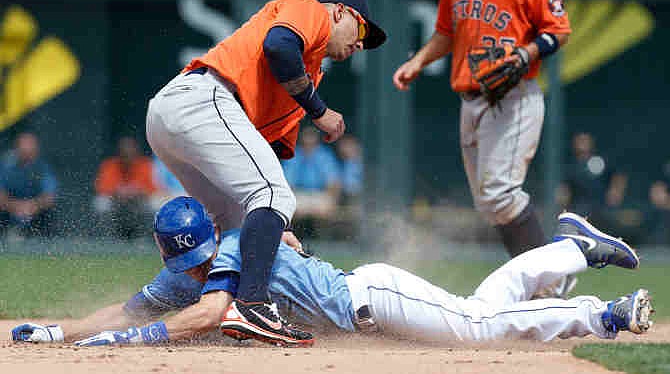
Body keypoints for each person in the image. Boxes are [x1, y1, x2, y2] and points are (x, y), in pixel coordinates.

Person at [12, 196, 654, 347]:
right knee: (479, 308)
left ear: (210, 238)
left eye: (196, 253)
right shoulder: (187, 276)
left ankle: (601, 314)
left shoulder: (235, 250)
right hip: (366, 306)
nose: (195, 265)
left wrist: (128, 343)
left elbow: (208, 314)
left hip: (371, 297)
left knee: (479, 329)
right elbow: (125, 311)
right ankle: (571, 249)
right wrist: (56, 334)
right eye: (185, 259)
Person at [144, 0, 387, 345]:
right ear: (340, 12)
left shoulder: (305, 78)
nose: (360, 44)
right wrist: (319, 111)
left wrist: (273, 227)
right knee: (274, 194)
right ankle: (253, 306)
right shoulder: (309, 10)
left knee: (240, 221)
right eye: (363, 30)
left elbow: (268, 154)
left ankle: (210, 304)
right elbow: (278, 46)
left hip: (177, 117)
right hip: (205, 98)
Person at [392, 0, 572, 294]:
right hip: (469, 99)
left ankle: (552, 282)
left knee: (499, 194)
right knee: (491, 204)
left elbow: (558, 32)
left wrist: (526, 54)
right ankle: (549, 281)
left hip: (514, 97)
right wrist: (418, 61)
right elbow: (446, 32)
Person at [556, 132, 628, 230]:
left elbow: (618, 175)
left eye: (585, 140)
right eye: (580, 141)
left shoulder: (600, 161)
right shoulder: (572, 166)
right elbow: (565, 189)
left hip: (602, 207)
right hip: (579, 208)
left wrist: (616, 192)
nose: (583, 144)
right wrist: (562, 204)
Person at [93, 136, 157, 239]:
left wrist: (138, 191)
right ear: (119, 153)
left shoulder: (145, 165)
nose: (127, 154)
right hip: (117, 202)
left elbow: (153, 189)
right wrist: (117, 192)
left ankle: (146, 239)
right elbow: (101, 189)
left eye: (130, 151)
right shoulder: (110, 165)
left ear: (136, 151)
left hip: (139, 202)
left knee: (156, 204)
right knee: (100, 203)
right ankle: (108, 239)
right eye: (124, 152)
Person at [0, 132, 58, 237]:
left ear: (36, 148)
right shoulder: (5, 167)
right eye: (23, 145)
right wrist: (16, 207)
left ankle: (46, 248)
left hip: (35, 213)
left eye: (30, 145)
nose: (27, 149)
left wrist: (33, 205)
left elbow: (50, 197)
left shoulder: (43, 168)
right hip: (9, 212)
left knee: (47, 214)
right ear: (16, 148)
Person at [282, 126, 342, 227]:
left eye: (311, 136)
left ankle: (323, 239)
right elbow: (287, 184)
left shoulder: (325, 155)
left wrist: (331, 199)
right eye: (306, 136)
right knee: (292, 207)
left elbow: (333, 183)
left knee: (324, 208)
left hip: (320, 195)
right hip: (299, 194)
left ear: (317, 139)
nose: (309, 140)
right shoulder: (292, 154)